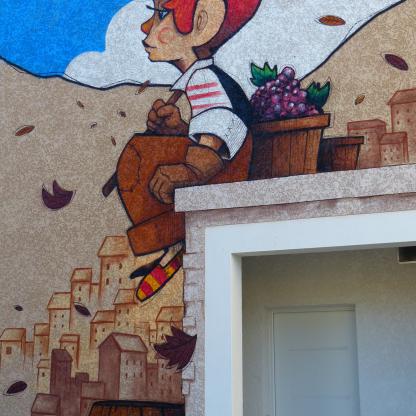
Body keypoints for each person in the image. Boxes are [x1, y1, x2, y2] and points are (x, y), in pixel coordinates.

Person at [117, 0, 260, 301]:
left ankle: (173, 242)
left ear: (200, 23)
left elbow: (224, 123)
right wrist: (179, 129)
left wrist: (192, 170)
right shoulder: (198, 78)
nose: (145, 27)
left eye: (160, 15)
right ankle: (175, 248)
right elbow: (212, 126)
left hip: (222, 182)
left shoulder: (205, 80)